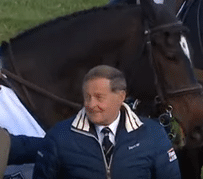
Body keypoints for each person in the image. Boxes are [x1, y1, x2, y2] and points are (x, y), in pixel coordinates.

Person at [32, 65, 181, 179]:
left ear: (121, 96)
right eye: (87, 97)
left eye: (99, 97)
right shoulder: (59, 136)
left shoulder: (153, 134)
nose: (91, 104)